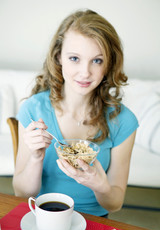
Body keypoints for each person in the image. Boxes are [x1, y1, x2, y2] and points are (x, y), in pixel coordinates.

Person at [13, 9, 139, 217]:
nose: (85, 72)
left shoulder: (123, 121)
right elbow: (21, 193)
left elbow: (114, 204)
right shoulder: (33, 110)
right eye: (74, 58)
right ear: (58, 57)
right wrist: (36, 157)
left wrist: (101, 186)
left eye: (97, 60)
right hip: (43, 217)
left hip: (94, 221)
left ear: (109, 64)